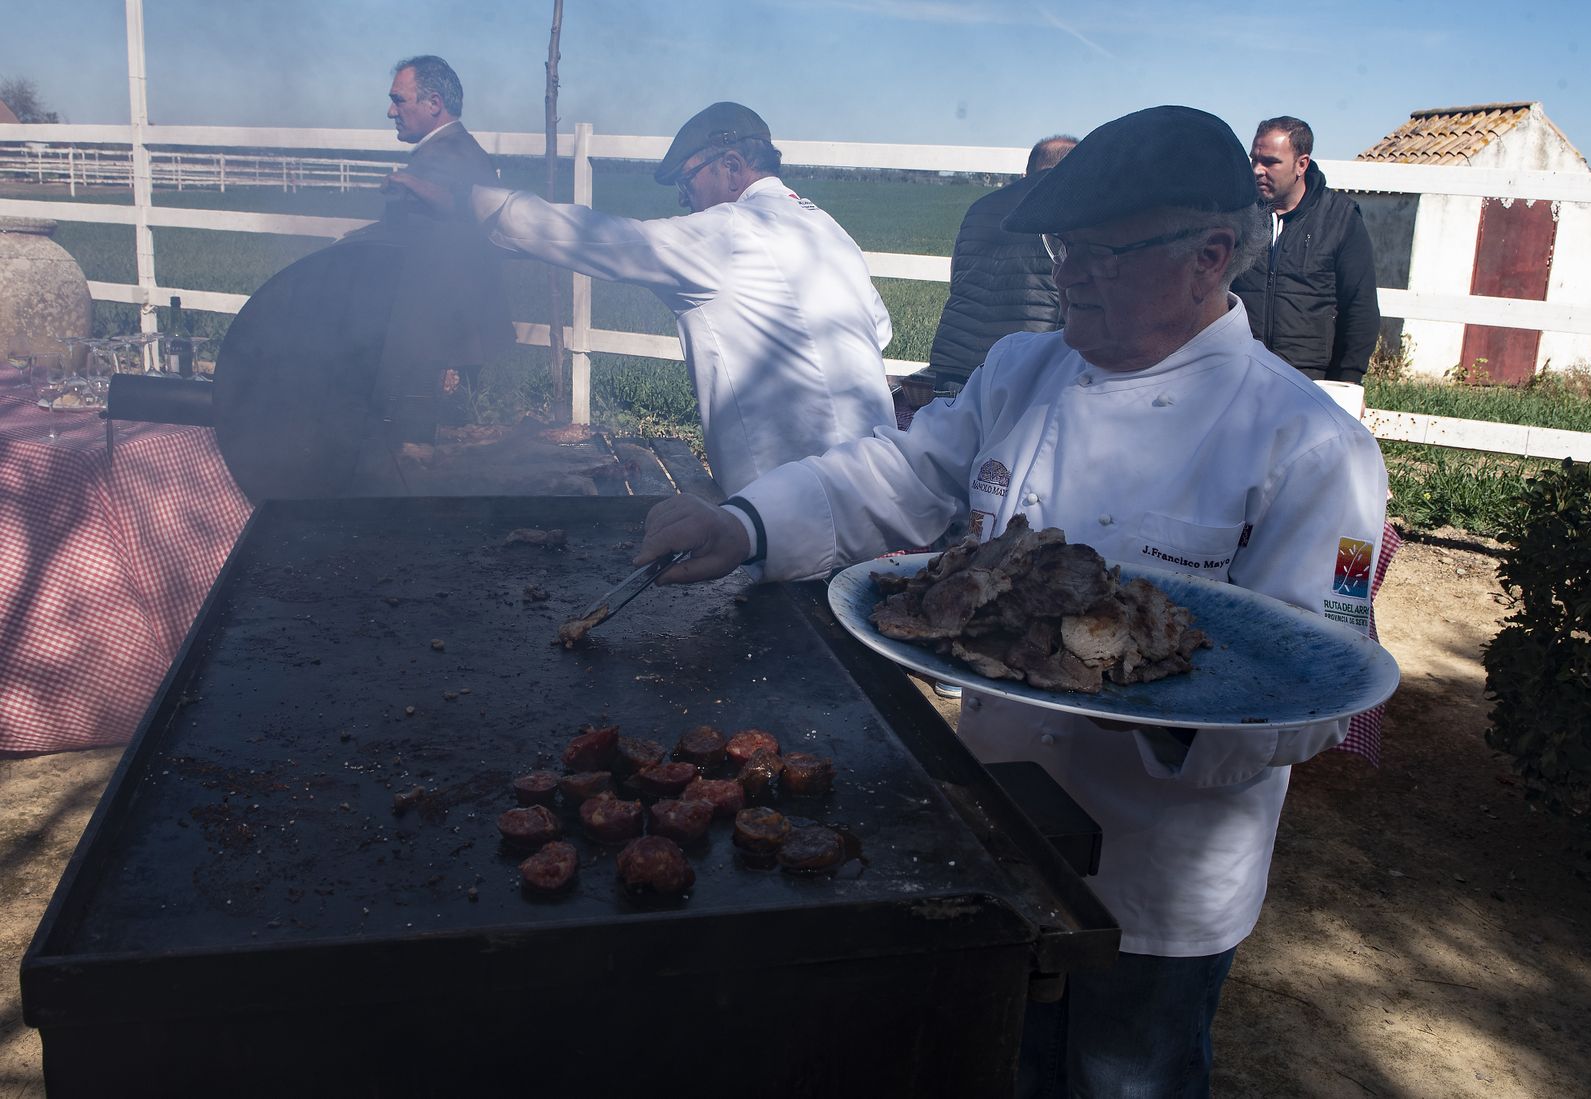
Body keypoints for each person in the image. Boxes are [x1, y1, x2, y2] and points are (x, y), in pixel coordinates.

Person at [631, 105, 1389, 1096]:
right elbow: (896, 474)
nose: (1068, 273)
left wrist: (1153, 702)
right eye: (1060, 246)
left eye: (1102, 253)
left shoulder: (1310, 446)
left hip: (1158, 873)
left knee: (1122, 1077)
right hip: (991, 822)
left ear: (1209, 254)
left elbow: (1317, 689)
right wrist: (744, 524)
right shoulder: (1026, 368)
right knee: (987, 1062)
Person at [392, 101, 894, 494]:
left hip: (789, 503)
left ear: (732, 164)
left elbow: (600, 239)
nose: (683, 199)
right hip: (877, 483)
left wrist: (471, 200)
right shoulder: (828, 229)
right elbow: (881, 328)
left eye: (686, 181)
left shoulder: (730, 232)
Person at [351, 55, 512, 451]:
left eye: (399, 100)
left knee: (429, 453)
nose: (391, 110)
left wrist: (409, 183)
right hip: (446, 332)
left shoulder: (450, 153)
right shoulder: (445, 151)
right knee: (428, 449)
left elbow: (461, 209)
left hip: (444, 338)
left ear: (434, 103)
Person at [922, 134, 1077, 396]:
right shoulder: (1070, 206)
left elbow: (957, 280)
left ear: (1027, 171)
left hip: (955, 366)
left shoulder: (980, 206)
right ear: (1075, 168)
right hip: (1027, 366)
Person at [1231, 116, 1380, 385]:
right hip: (1237, 374)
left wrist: (1347, 381)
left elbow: (1360, 306)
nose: (1256, 170)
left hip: (1308, 381)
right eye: (1254, 159)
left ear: (1302, 164)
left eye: (1271, 162)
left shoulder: (1340, 218)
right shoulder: (1236, 215)